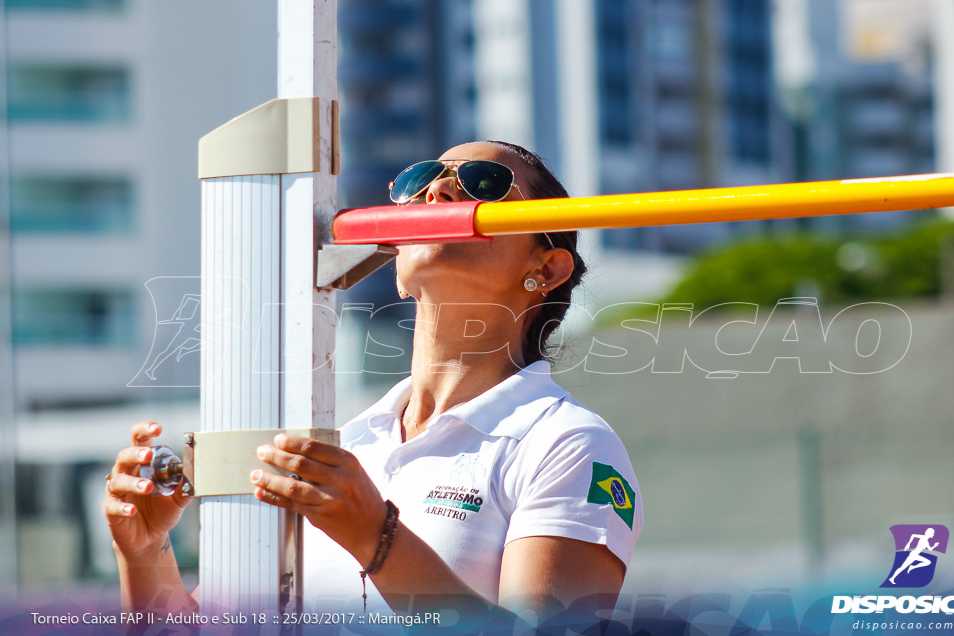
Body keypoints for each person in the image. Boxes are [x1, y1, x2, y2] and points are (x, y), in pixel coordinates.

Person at [104, 141, 643, 622]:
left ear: (547, 270)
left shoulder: (568, 444)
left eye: (483, 183)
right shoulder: (346, 442)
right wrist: (145, 553)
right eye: (418, 180)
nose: (436, 191)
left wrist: (375, 537)